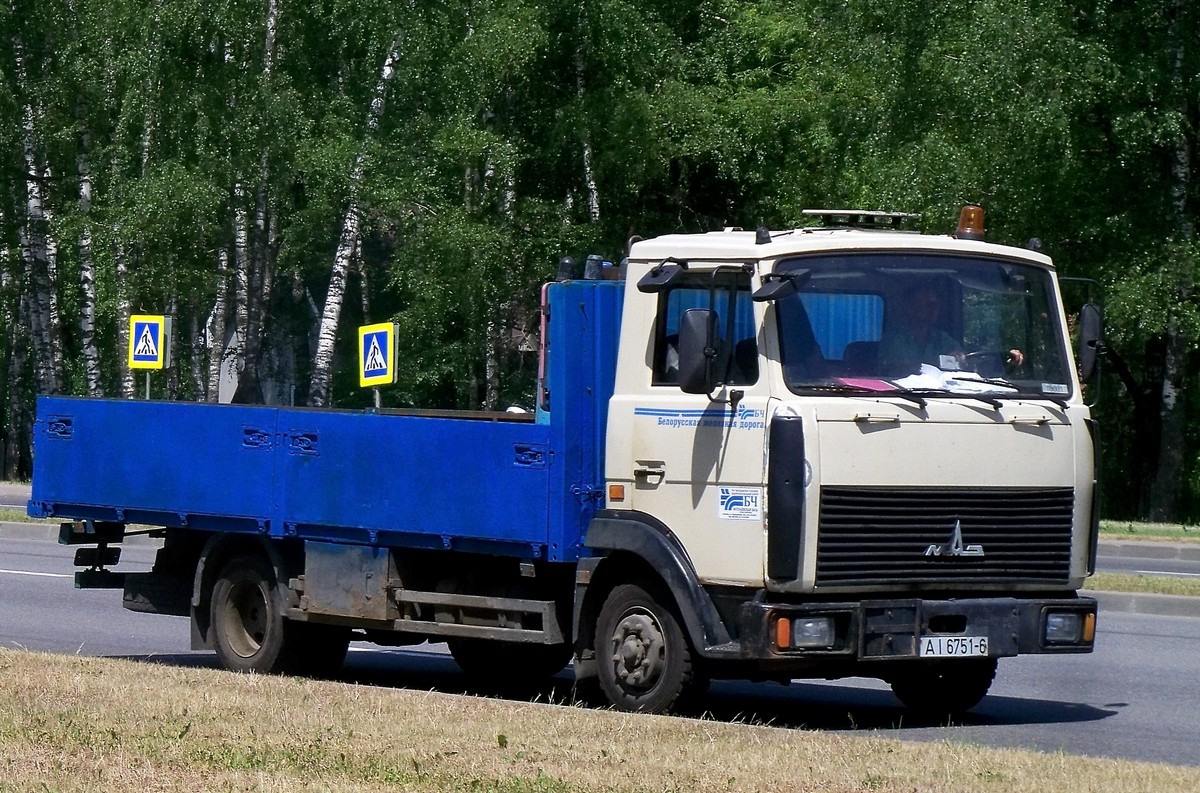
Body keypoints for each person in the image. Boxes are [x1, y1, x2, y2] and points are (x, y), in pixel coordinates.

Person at [879, 284, 964, 376]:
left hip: (941, 389)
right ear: (910, 307)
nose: (933, 309)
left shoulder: (942, 338)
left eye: (935, 305)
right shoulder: (894, 339)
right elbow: (898, 369)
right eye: (927, 305)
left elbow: (959, 355)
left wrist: (959, 357)